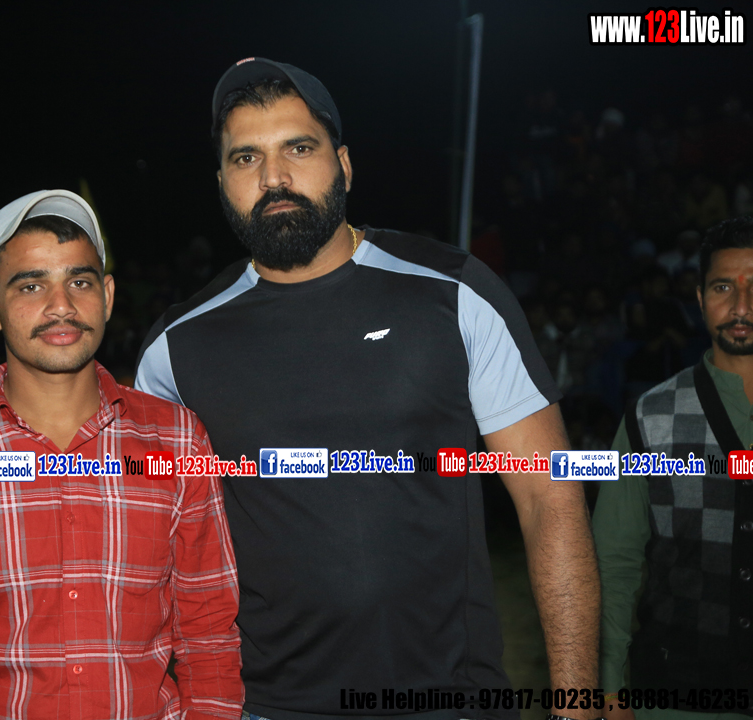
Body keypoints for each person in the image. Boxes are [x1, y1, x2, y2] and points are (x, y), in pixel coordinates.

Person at [135, 58, 600, 720]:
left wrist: (577, 706)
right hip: (263, 706)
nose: (274, 177)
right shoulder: (174, 349)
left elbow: (549, 497)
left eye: (299, 148)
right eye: (246, 157)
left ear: (345, 165)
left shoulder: (455, 292)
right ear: (221, 182)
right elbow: (146, 548)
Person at [0, 190, 243, 720]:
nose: (61, 305)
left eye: (79, 282)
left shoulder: (178, 441)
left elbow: (209, 636)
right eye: (31, 285)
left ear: (107, 295)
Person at [594, 215, 753, 719]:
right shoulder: (650, 417)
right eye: (724, 287)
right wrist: (608, 685)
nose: (741, 306)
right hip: (677, 693)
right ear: (701, 299)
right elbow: (614, 560)